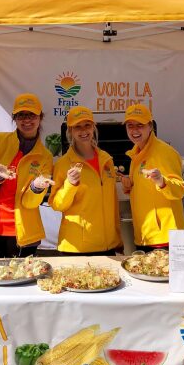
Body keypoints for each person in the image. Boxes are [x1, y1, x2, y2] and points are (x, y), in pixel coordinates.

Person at [0, 93, 54, 258]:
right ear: (14, 118)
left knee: (23, 281)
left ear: (40, 117)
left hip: (24, 233)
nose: (26, 120)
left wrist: (36, 188)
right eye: (21, 115)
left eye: (31, 115)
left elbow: (30, 202)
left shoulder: (45, 156)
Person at [49, 106, 122, 255]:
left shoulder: (106, 159)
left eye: (87, 125)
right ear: (70, 131)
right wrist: (70, 184)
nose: (83, 131)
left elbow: (112, 204)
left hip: (108, 246)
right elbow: (56, 204)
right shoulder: (63, 164)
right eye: (78, 127)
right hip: (77, 248)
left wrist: (118, 239)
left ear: (93, 127)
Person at [122, 103, 184, 250]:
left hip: (165, 236)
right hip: (145, 234)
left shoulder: (165, 153)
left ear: (150, 126)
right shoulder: (136, 153)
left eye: (140, 125)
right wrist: (130, 185)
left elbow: (180, 190)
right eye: (130, 125)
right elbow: (145, 189)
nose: (135, 130)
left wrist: (161, 181)